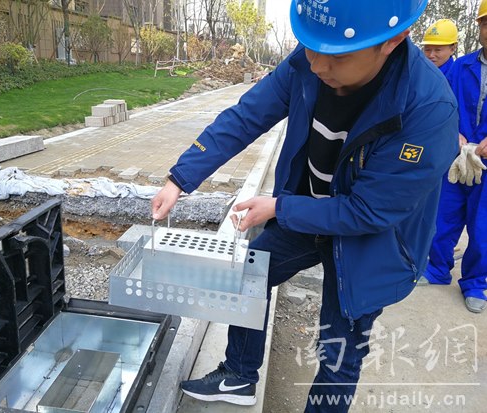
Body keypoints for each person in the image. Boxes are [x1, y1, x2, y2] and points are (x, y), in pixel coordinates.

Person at [151, 1, 458, 411]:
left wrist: (279, 208)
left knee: (339, 350)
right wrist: (179, 178)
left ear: (391, 41)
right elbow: (247, 115)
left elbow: (368, 211)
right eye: (311, 48)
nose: (316, 65)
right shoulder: (311, 59)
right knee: (249, 275)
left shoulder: (428, 109)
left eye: (336, 57)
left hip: (372, 242)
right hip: (308, 212)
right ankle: (239, 374)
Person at [420, 1, 487, 313]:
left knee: (482, 227)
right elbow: (443, 105)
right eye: (485, 23)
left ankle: (475, 283)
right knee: (443, 216)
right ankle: (436, 268)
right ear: (479, 27)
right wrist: (453, 132)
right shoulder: (461, 68)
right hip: (457, 158)